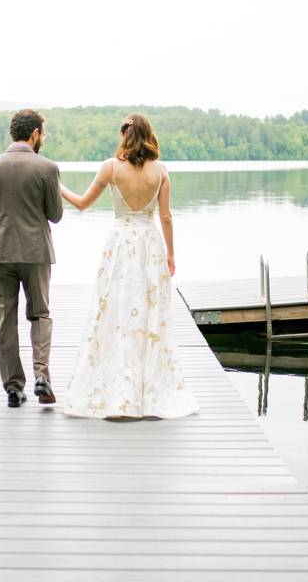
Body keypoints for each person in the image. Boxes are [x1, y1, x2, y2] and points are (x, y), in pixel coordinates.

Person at [59, 113, 199, 419]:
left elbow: (82, 203)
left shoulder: (111, 167)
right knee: (150, 315)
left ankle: (119, 389)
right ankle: (145, 392)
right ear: (149, 135)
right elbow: (165, 217)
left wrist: (57, 187)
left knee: (115, 311)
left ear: (125, 135)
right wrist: (172, 254)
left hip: (121, 244)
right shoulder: (161, 171)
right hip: (150, 245)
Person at [0, 109, 63, 408]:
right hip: (36, 253)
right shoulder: (47, 168)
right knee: (40, 314)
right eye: (43, 133)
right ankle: (42, 376)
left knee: (5, 320)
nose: (44, 138)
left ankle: (13, 388)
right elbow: (56, 215)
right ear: (35, 133)